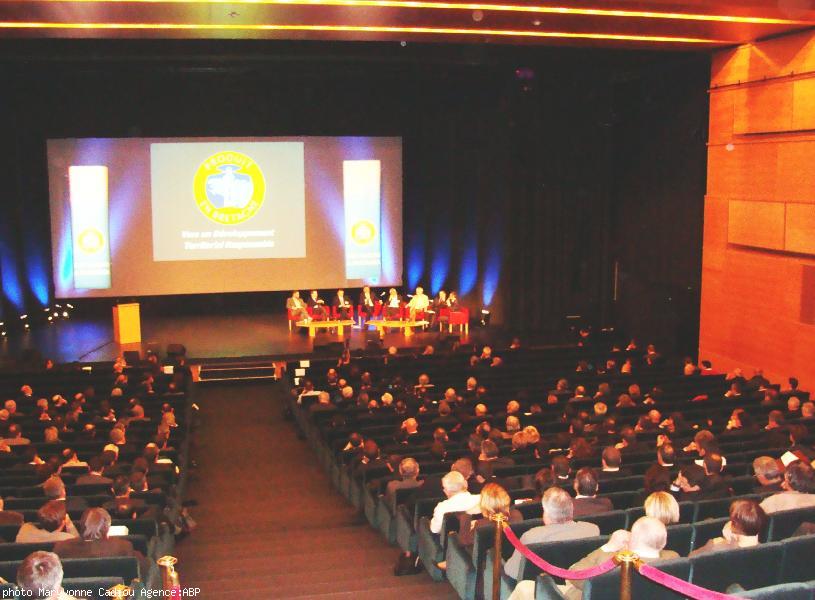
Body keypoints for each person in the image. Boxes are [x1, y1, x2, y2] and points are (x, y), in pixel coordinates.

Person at [503, 487, 600, 581]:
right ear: (572, 508)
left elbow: (512, 573)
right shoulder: (593, 530)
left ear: (547, 513)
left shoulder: (530, 538)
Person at [690, 499, 767, 556]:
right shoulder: (769, 552)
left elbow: (691, 557)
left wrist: (725, 541)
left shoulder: (716, 547)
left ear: (733, 526)